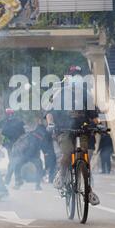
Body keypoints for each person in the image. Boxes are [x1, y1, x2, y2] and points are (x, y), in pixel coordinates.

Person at [46, 65, 100, 206]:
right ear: (67, 78)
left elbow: (94, 115)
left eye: (78, 75)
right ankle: (62, 175)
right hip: (64, 130)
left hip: (83, 130)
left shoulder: (86, 95)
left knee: (85, 157)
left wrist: (98, 124)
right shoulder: (60, 93)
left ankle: (89, 190)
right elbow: (49, 113)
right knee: (68, 152)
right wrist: (51, 123)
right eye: (73, 75)